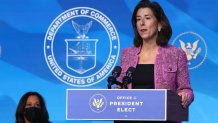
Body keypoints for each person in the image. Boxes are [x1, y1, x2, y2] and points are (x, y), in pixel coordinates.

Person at [115, 0, 194, 123]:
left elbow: (186, 89)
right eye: (138, 19)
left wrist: (185, 96)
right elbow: (119, 86)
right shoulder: (127, 54)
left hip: (164, 119)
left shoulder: (176, 54)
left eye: (147, 18)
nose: (142, 23)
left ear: (159, 25)